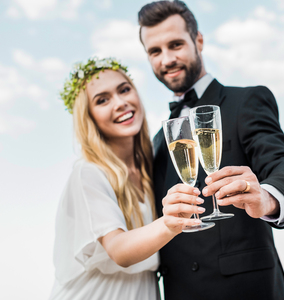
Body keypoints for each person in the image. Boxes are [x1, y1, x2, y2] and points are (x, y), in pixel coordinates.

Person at [138, 1, 284, 299]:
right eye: (155, 51)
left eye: (176, 44)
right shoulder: (157, 140)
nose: (166, 59)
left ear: (199, 41)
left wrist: (267, 197)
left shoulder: (245, 102)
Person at [50, 57, 205, 300]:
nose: (120, 103)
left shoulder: (152, 166)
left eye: (124, 90)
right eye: (102, 100)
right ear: (88, 117)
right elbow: (119, 249)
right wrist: (169, 223)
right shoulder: (89, 172)